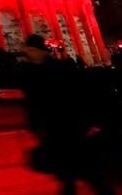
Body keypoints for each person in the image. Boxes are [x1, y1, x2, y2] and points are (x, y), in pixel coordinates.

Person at [18, 34, 112, 195]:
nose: (29, 53)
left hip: (72, 128)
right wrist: (35, 125)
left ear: (41, 51)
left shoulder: (60, 68)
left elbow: (80, 94)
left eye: (32, 50)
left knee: (88, 173)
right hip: (55, 131)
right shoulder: (33, 72)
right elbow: (33, 102)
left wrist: (89, 121)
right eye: (28, 50)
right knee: (70, 175)